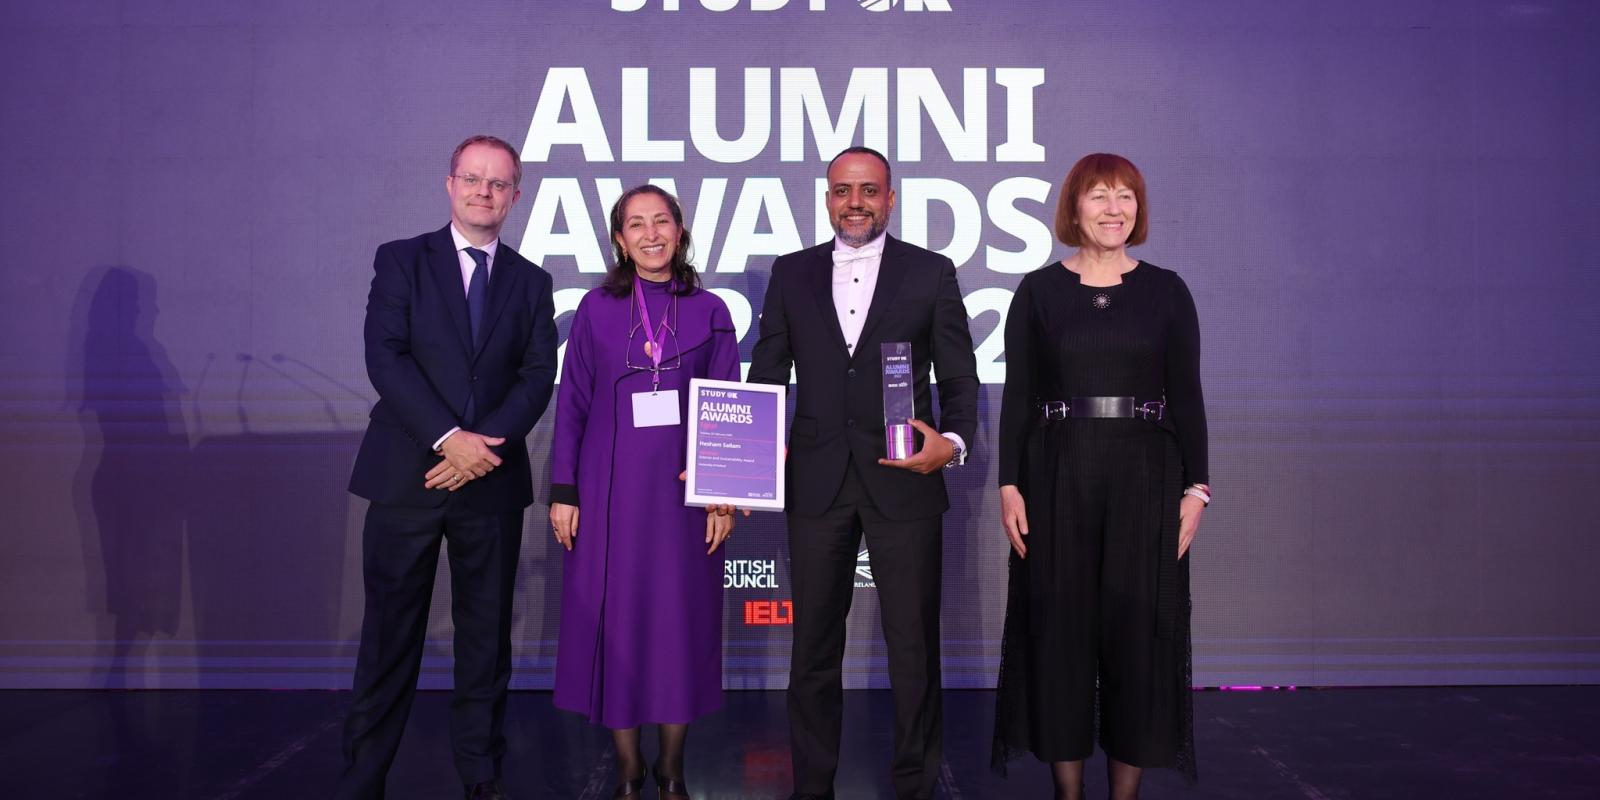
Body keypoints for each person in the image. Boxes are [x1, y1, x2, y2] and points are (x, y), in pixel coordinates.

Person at [748, 146, 979, 800]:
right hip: (816, 483)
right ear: (827, 198)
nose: (857, 201)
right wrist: (739, 458)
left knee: (913, 651)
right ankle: (811, 787)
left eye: (870, 190)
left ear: (891, 198)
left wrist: (954, 442)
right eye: (844, 190)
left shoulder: (931, 272)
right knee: (813, 652)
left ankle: (915, 785)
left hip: (906, 476)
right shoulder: (790, 273)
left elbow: (959, 376)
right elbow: (767, 374)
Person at [340, 135, 558, 800]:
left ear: (515, 195)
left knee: (486, 641)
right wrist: (445, 438)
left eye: (498, 183)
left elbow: (535, 374)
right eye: (472, 179)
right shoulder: (402, 260)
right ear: (450, 184)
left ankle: (480, 775)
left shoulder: (530, 280)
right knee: (389, 637)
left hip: (487, 481)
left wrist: (478, 447)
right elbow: (387, 357)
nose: (483, 192)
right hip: (408, 476)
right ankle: (363, 778)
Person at [990, 153, 1209, 799]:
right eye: (1099, 196)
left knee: (1138, 632)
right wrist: (1009, 483)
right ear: (1073, 208)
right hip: (1056, 472)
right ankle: (1068, 791)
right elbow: (1020, 395)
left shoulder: (1167, 290)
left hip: (1145, 473)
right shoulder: (1039, 291)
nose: (1114, 209)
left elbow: (1188, 396)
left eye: (1126, 197)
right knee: (1059, 630)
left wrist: (1197, 486)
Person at [548, 184, 742, 800]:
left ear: (680, 232)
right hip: (607, 496)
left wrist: (723, 495)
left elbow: (728, 411)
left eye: (662, 221)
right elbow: (573, 403)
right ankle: (629, 770)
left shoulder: (711, 309)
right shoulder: (596, 310)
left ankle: (672, 769)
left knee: (677, 626)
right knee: (619, 626)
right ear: (619, 238)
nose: (651, 234)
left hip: (685, 498)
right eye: (636, 224)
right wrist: (563, 489)